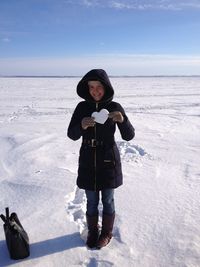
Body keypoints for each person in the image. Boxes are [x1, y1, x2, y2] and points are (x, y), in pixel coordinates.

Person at [67, 69, 135, 249]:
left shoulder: (115, 107)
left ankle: (106, 232)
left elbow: (129, 136)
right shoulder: (82, 107)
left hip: (108, 160)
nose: (95, 91)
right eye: (91, 87)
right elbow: (71, 134)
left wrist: (123, 120)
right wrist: (81, 125)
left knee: (108, 199)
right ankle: (92, 231)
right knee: (90, 200)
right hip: (88, 160)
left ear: (106, 87)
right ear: (87, 88)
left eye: (99, 87)